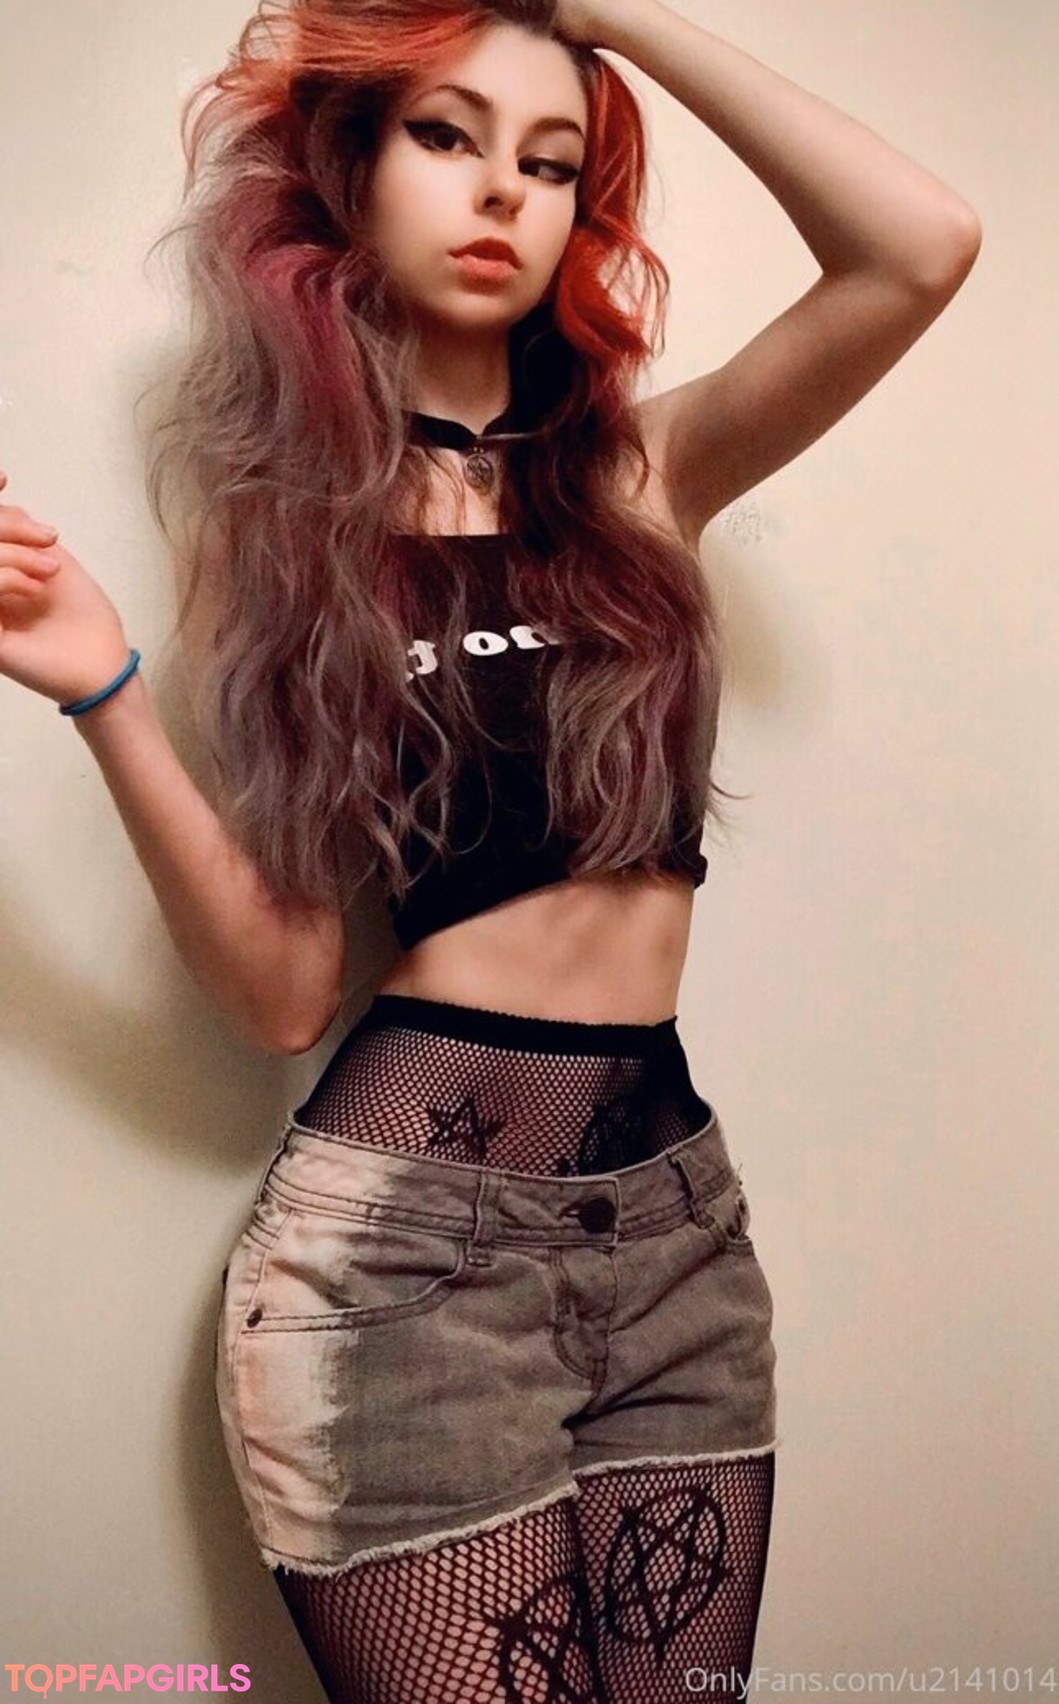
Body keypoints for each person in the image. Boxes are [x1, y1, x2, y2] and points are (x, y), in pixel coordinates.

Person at [0, 0, 980, 1696]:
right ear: (354, 169)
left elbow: (921, 248)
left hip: (676, 1240)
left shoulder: (644, 478)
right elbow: (286, 993)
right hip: (404, 1264)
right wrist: (106, 692)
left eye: (553, 161)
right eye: (448, 137)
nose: (503, 192)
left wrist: (613, 19)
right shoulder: (287, 543)